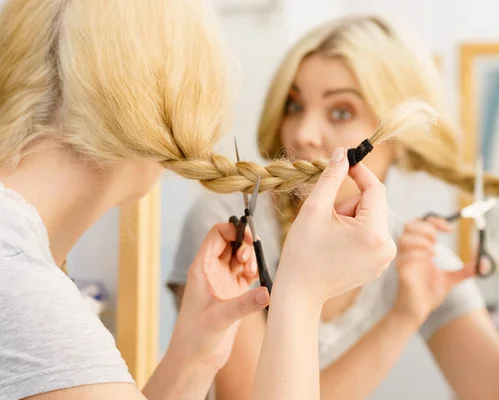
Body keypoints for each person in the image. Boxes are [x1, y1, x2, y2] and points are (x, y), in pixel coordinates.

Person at [169, 15, 499, 399]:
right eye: (295, 105)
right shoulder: (229, 226)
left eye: (340, 111)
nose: (303, 132)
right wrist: (400, 321)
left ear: (398, 139)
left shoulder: (417, 263)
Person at [0, 1, 402, 399]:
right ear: (169, 104)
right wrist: (300, 296)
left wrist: (194, 354)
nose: (304, 135)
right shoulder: (26, 292)